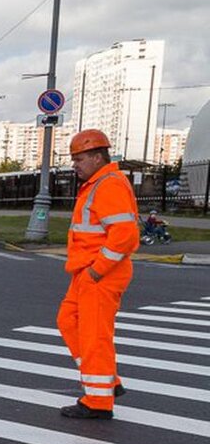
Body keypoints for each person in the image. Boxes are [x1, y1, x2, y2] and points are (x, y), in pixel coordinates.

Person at [55, 129, 139, 420]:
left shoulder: (109, 185)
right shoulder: (96, 184)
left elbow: (125, 236)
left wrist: (96, 272)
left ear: (97, 156)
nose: (75, 164)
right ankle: (107, 381)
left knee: (95, 337)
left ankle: (98, 402)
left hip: (100, 273)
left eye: (79, 159)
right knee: (68, 321)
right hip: (87, 271)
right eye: (73, 159)